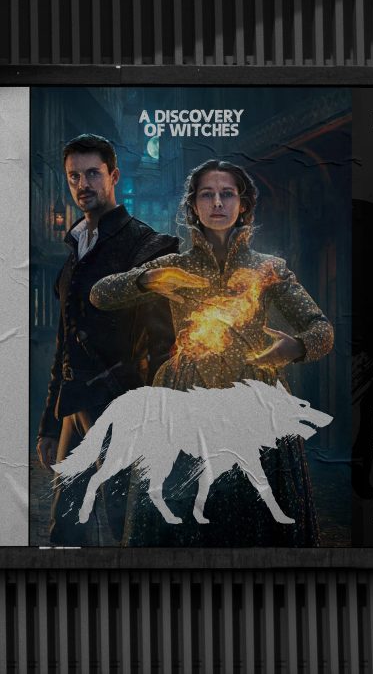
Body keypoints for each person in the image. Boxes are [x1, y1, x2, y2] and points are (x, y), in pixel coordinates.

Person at [90, 159, 334, 545]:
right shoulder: (175, 264)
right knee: (182, 513)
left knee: (257, 512)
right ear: (193, 206)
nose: (217, 202)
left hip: (255, 401)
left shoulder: (269, 269)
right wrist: (147, 279)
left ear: (243, 205)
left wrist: (297, 346)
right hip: (185, 398)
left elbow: (322, 329)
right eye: (207, 194)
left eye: (226, 194)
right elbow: (100, 294)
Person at [36, 134, 179, 545]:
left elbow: (161, 344)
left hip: (123, 408)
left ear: (113, 176)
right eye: (74, 176)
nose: (84, 184)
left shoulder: (144, 246)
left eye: (93, 174)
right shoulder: (75, 249)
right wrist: (48, 424)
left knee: (126, 525)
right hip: (74, 405)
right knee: (65, 528)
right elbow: (64, 343)